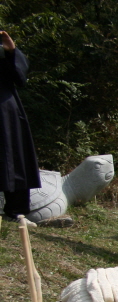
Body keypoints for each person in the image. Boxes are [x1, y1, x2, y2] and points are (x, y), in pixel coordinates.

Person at [0, 30, 40, 220]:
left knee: (13, 156)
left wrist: (11, 51)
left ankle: (16, 211)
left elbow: (20, 78)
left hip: (4, 108)